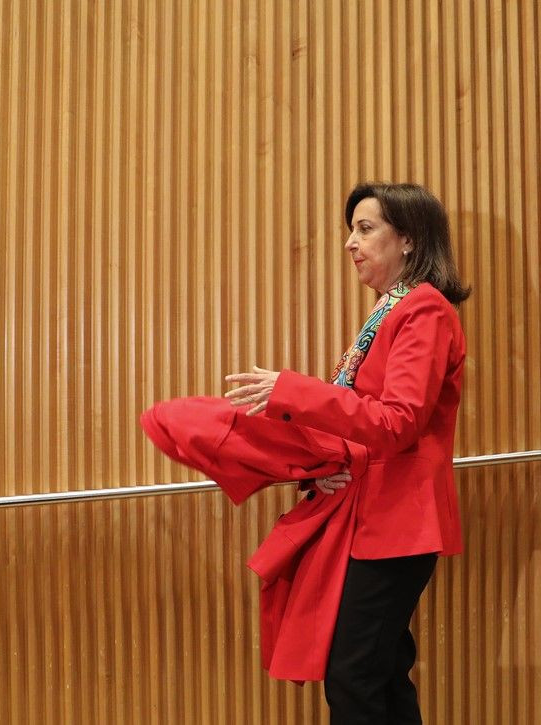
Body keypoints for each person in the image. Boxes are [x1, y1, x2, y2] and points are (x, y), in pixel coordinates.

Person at [141, 182, 469, 725]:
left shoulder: (424, 310)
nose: (350, 243)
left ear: (409, 239)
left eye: (365, 229)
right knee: (380, 671)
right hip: (373, 513)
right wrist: (325, 467)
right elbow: (366, 421)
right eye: (351, 230)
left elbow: (398, 422)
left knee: (353, 675)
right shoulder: (390, 309)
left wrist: (291, 391)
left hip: (399, 520)